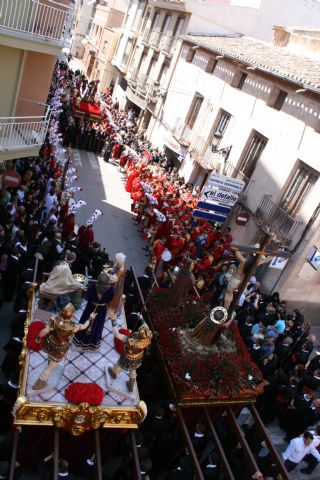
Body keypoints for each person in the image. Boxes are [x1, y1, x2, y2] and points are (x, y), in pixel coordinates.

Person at [33, 304, 91, 390]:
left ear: (62, 312)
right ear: (72, 314)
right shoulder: (74, 326)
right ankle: (41, 381)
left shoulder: (54, 319)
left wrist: (38, 337)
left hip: (49, 342)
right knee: (50, 368)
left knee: (49, 355)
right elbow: (85, 326)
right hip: (60, 349)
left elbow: (45, 330)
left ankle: (49, 363)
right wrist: (90, 318)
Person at [73, 273, 116, 351]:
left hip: (90, 307)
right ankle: (92, 344)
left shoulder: (92, 286)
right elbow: (109, 300)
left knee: (84, 321)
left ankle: (80, 342)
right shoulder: (111, 290)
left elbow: (87, 297)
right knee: (97, 326)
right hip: (101, 309)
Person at [108, 317, 153, 392]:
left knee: (119, 364)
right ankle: (131, 384)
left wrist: (113, 321)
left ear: (139, 333)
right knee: (133, 369)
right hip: (137, 358)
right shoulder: (147, 339)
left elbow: (117, 334)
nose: (144, 328)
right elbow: (146, 326)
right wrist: (142, 319)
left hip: (127, 358)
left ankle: (114, 373)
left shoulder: (130, 341)